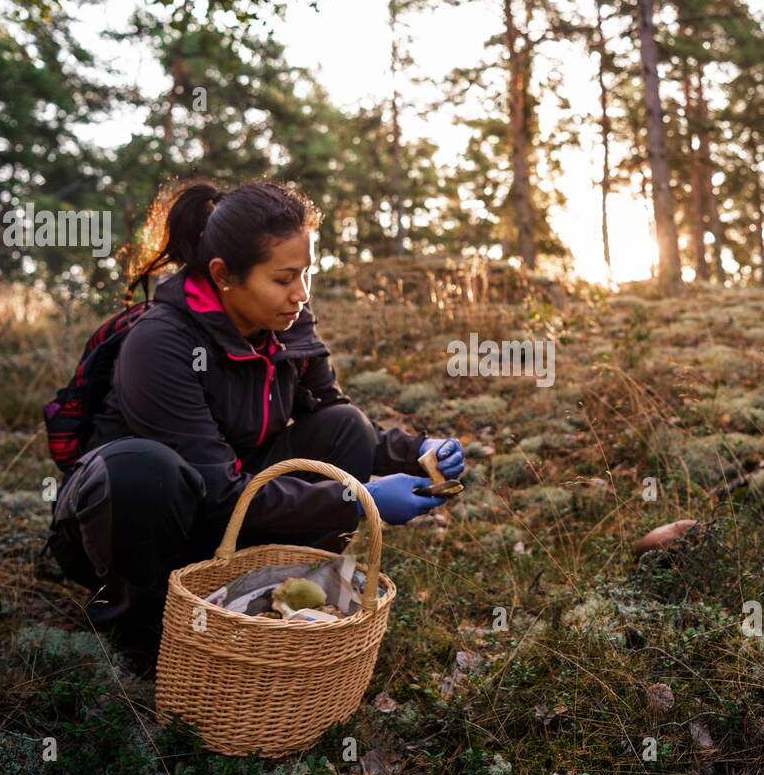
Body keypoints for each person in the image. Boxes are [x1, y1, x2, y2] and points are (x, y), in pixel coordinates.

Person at [45, 180, 465, 638]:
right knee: (145, 470)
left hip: (228, 507)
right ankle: (140, 627)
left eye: (306, 273)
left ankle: (280, 601)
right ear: (224, 275)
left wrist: (418, 449)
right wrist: (361, 500)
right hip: (132, 522)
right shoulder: (161, 343)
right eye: (283, 279)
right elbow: (219, 494)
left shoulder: (288, 324)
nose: (300, 293)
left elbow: (335, 413)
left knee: (344, 427)